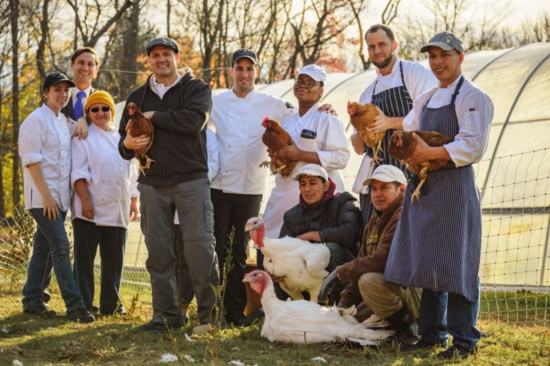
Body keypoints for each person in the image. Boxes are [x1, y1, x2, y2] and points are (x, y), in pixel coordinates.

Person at [384, 31, 494, 359]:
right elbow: (410, 131)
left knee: (458, 262)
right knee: (430, 262)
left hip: (454, 189)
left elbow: (473, 145)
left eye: (444, 55)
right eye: (432, 56)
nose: (437, 62)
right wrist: (412, 155)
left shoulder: (472, 96)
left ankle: (464, 340)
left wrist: (429, 153)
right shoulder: (427, 98)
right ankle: (432, 333)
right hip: (425, 187)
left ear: (460, 57)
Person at [118, 37, 221, 332]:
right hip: (152, 184)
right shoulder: (137, 96)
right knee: (159, 252)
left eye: (166, 54)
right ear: (148, 60)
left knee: (200, 248)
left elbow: (193, 122)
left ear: (176, 57)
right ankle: (166, 316)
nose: (161, 59)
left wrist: (154, 117)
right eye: (155, 55)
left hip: (191, 180)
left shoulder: (196, 89)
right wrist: (127, 143)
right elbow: (123, 146)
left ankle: (210, 317)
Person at [208, 48, 296, 326]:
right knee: (218, 249)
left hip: (251, 189)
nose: (244, 74)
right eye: (239, 68)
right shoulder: (216, 101)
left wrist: (325, 108)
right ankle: (214, 308)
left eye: (249, 69)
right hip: (220, 186)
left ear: (256, 72)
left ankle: (235, 310)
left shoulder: (271, 102)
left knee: (239, 251)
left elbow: (297, 116)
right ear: (231, 71)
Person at [18, 72, 95, 323]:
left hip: (61, 199)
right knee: (61, 247)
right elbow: (32, 162)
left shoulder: (65, 122)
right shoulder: (35, 120)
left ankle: (32, 299)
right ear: (45, 93)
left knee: (43, 250)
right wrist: (47, 197)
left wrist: (82, 118)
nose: (62, 94)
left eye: (66, 91)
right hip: (43, 198)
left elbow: (84, 130)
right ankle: (75, 306)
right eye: (57, 90)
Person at [350, 24, 436, 226]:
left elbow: (429, 116)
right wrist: (363, 128)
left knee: (408, 228)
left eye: (382, 44)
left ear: (394, 45)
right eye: (371, 47)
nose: (377, 50)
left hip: (410, 167)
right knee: (374, 233)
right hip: (378, 173)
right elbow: (357, 148)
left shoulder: (414, 74)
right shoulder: (368, 93)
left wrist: (389, 123)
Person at [262, 64, 350, 248]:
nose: (303, 85)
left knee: (304, 252)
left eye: (310, 83)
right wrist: (277, 161)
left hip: (313, 200)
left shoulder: (327, 118)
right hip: (283, 193)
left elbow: (342, 157)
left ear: (321, 91)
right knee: (271, 243)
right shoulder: (287, 120)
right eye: (300, 81)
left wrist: (300, 154)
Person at [71, 91, 139, 315]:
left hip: (117, 209)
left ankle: (111, 305)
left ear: (112, 111)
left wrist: (133, 201)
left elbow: (132, 173)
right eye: (95, 109)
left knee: (113, 262)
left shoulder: (122, 138)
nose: (101, 113)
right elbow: (78, 173)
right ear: (89, 113)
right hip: (89, 210)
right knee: (85, 262)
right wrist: (86, 200)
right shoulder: (84, 136)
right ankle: (83, 303)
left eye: (105, 108)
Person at [336, 165, 420, 342]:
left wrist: (340, 272)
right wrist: (344, 302)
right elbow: (362, 261)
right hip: (393, 288)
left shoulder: (405, 214)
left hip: (416, 290)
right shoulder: (375, 220)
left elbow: (383, 260)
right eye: (373, 189)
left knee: (368, 280)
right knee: (350, 319)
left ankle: (409, 330)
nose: (377, 194)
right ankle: (390, 324)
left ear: (402, 189)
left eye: (384, 187)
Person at [41, 47, 97, 304]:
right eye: (80, 63)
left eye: (90, 64)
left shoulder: (101, 101)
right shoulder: (59, 94)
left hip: (89, 180)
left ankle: (84, 296)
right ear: (72, 65)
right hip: (59, 179)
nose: (85, 68)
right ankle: (38, 291)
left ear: (96, 69)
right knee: (50, 236)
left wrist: (87, 117)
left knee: (85, 240)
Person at [279, 164, 360, 304]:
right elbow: (283, 249)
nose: (307, 189)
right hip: (307, 273)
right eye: (302, 184)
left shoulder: (344, 202)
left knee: (329, 249)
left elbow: (350, 233)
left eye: (313, 183)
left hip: (344, 268)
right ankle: (297, 307)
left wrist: (312, 235)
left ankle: (343, 300)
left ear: (326, 185)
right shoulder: (292, 216)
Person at [173, 126, 219, 321]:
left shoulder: (209, 136)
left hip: (196, 199)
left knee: (201, 257)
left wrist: (188, 185)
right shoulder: (171, 132)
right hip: (172, 202)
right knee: (179, 259)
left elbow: (213, 165)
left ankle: (208, 313)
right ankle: (180, 307)